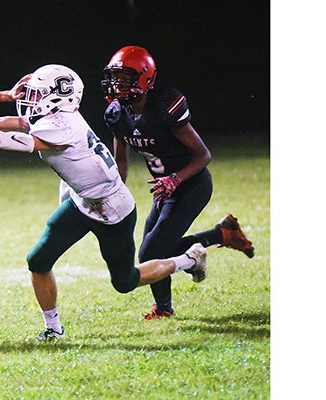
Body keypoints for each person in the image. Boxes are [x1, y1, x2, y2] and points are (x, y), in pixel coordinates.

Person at [0, 64, 208, 340]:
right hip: (82, 202)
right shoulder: (53, 117)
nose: (30, 99)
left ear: (59, 97)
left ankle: (188, 259)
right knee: (38, 259)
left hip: (112, 210)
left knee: (125, 281)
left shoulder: (61, 127)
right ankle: (54, 329)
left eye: (37, 94)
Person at [100, 45, 255, 320]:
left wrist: (175, 178)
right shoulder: (117, 113)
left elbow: (203, 155)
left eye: (125, 78)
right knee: (154, 248)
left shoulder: (163, 106)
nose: (117, 85)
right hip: (164, 189)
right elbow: (120, 158)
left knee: (150, 250)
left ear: (145, 79)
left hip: (191, 184)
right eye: (115, 78)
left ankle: (164, 308)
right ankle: (221, 235)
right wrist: (114, 191)